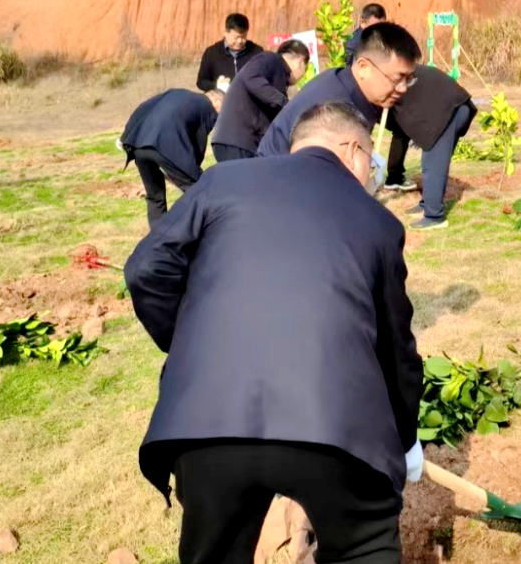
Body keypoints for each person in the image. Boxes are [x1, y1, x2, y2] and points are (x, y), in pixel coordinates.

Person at [125, 101, 424, 564]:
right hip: (337, 430)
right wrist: (405, 440)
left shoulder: (224, 180)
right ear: (353, 149)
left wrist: (187, 344)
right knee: (365, 547)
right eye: (371, 157)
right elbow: (397, 351)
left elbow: (146, 269)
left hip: (209, 423)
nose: (371, 171)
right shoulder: (377, 222)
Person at [257, 22, 421, 158]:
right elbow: (313, 174)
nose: (403, 88)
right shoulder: (331, 109)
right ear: (364, 67)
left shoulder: (348, 83)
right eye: (397, 79)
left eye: (408, 79)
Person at [384, 65, 476, 230]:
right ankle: (427, 203)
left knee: (434, 164)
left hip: (450, 109)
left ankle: (434, 216)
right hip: (442, 108)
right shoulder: (389, 72)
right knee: (429, 163)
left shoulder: (388, 77)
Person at [119, 89, 223, 228]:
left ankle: (158, 237)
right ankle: (212, 229)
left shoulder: (178, 95)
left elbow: (144, 107)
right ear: (216, 99)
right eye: (223, 107)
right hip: (165, 143)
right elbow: (198, 141)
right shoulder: (207, 106)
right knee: (199, 189)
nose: (221, 114)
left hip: (137, 143)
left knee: (155, 197)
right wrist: (192, 170)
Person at [210, 40, 310, 162]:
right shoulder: (271, 59)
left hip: (240, 143)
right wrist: (286, 104)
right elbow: (251, 77)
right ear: (300, 61)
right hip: (238, 142)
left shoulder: (278, 73)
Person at [196, 13, 263, 93]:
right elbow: (201, 82)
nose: (240, 41)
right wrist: (217, 86)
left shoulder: (256, 52)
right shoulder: (212, 53)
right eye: (236, 37)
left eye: (243, 37)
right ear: (226, 33)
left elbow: (266, 78)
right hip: (222, 98)